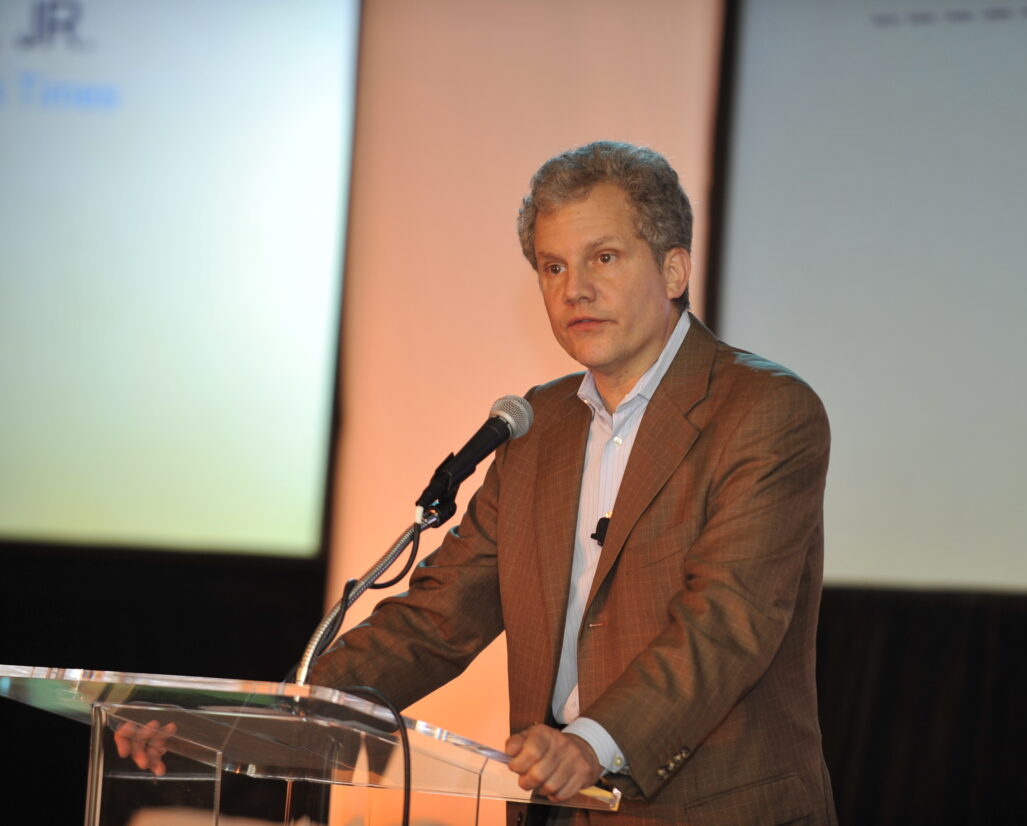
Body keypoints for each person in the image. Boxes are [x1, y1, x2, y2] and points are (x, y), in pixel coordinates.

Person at [119, 141, 836, 825]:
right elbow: (434, 620)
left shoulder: (763, 411)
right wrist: (259, 720)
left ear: (674, 271)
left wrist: (592, 740)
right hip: (553, 809)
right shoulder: (539, 427)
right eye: (552, 268)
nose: (575, 289)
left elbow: (727, 624)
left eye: (604, 258)